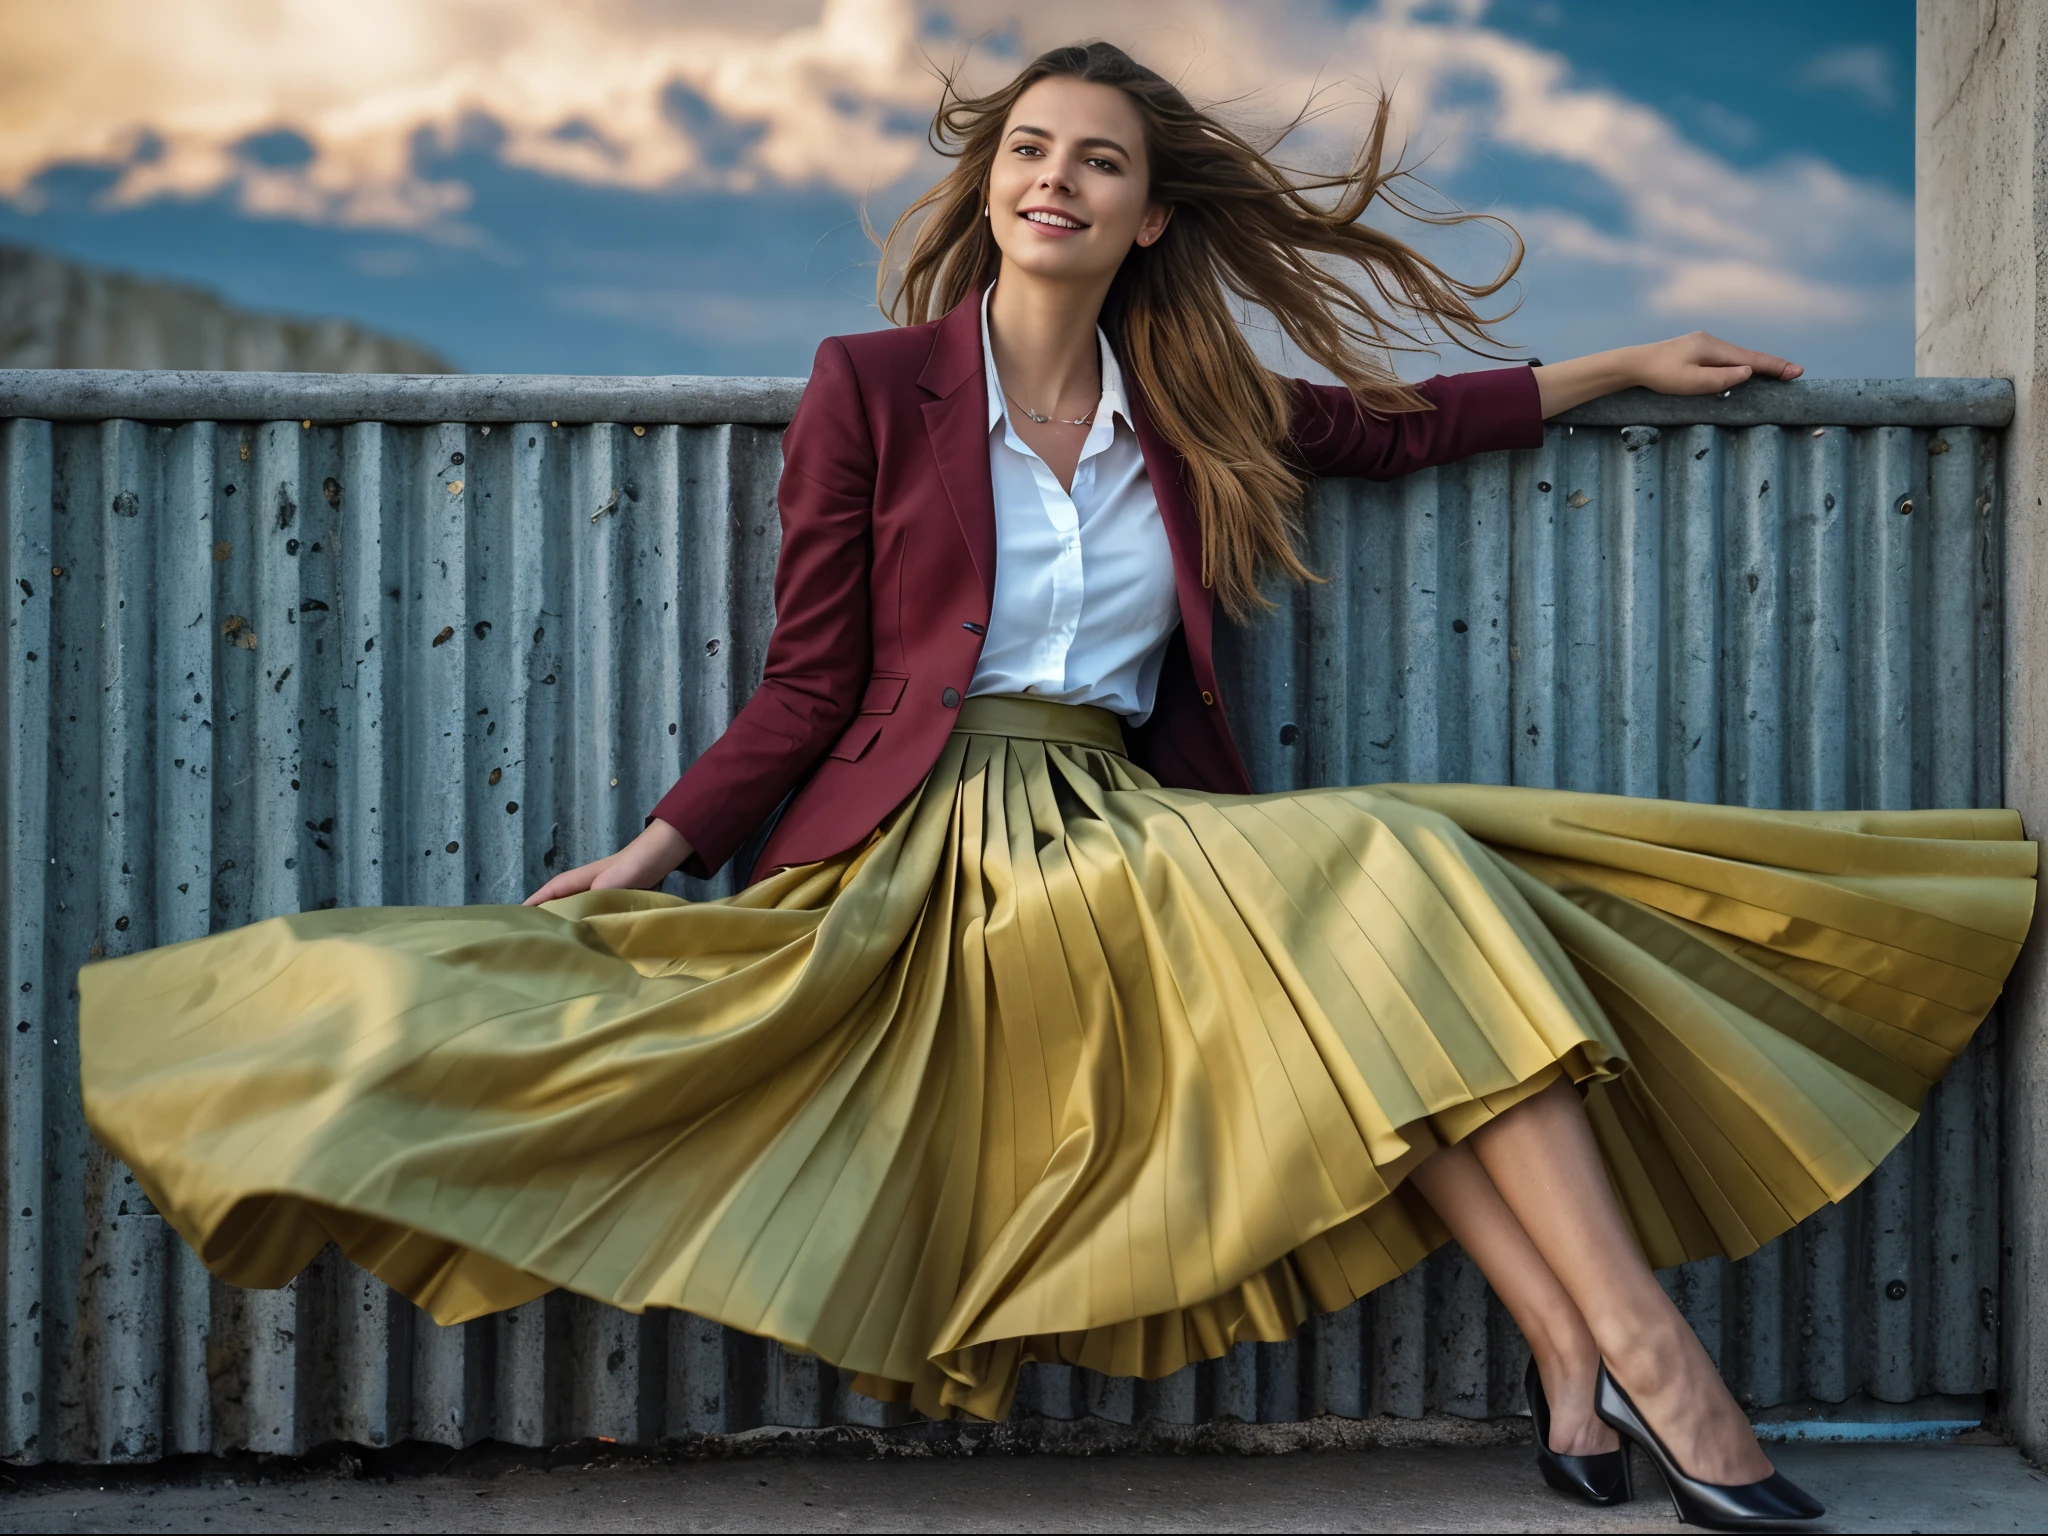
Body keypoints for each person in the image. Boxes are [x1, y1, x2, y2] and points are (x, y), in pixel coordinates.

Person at [80, 42, 2034, 1531]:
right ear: (991, 182)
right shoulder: (870, 388)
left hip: (1126, 811)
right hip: (948, 855)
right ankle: (1663, 1369)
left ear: (1148, 215)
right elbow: (808, 678)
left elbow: (1397, 422)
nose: (1053, 178)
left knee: (1388, 920)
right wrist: (666, 843)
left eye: (1096, 160)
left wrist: (1617, 363)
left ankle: (1578, 1363)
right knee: (1386, 878)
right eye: (1028, 147)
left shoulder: (1190, 405)